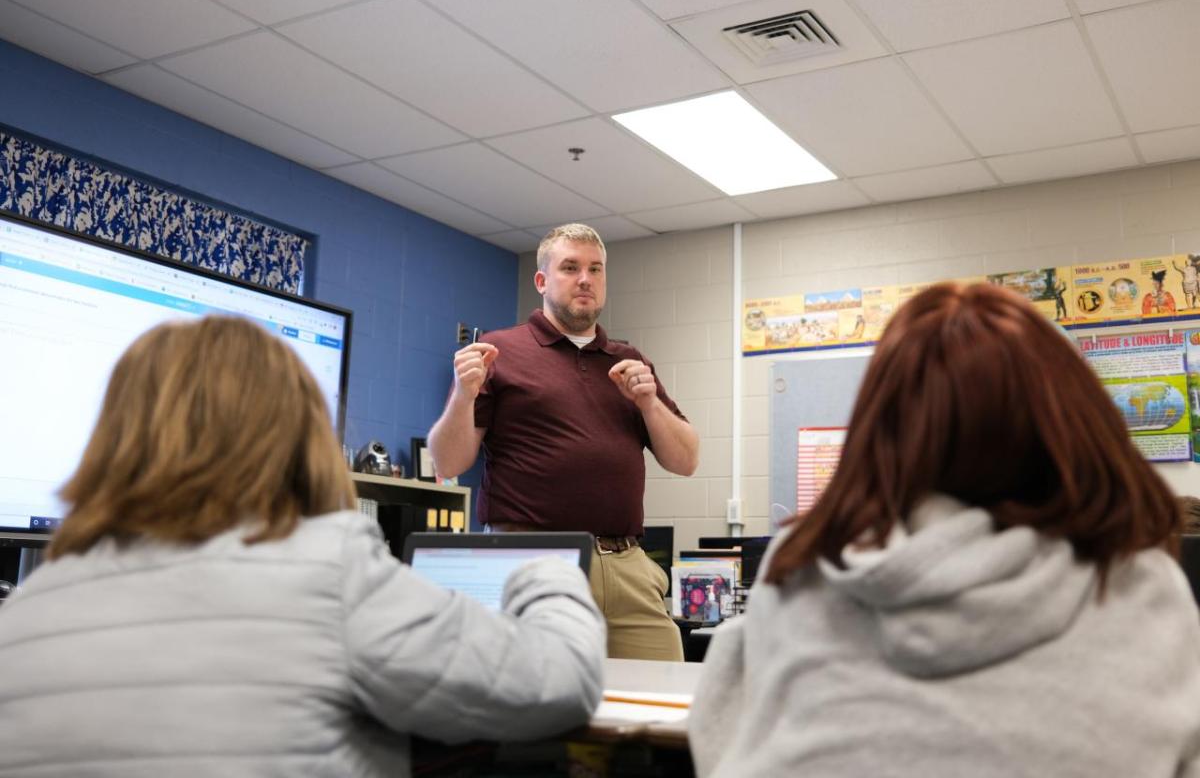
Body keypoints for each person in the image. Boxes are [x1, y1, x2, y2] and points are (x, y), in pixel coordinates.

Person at [0, 316, 604, 777]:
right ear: (297, 434)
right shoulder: (330, 567)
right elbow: (558, 683)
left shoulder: (28, 607)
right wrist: (543, 571)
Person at [689, 282, 1200, 778]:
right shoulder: (1142, 589)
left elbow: (723, 740)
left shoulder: (800, 575)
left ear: (879, 429)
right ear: (1073, 424)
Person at [428, 223, 699, 662]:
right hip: (537, 560)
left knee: (664, 702)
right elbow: (447, 460)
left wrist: (649, 403)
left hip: (626, 564)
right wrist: (463, 394)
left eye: (595, 269)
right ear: (542, 280)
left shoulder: (629, 360)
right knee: (536, 706)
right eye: (570, 267)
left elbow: (686, 460)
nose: (585, 279)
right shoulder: (499, 350)